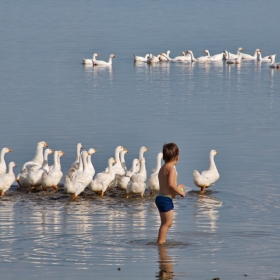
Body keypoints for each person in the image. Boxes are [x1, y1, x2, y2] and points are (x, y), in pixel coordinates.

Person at [155, 143, 186, 244]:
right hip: (165, 199)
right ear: (177, 157)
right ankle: (160, 243)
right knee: (168, 223)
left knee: (164, 223)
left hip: (160, 197)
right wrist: (180, 192)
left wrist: (177, 188)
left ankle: (161, 241)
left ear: (163, 157)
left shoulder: (162, 168)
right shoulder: (171, 168)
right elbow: (170, 184)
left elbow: (166, 185)